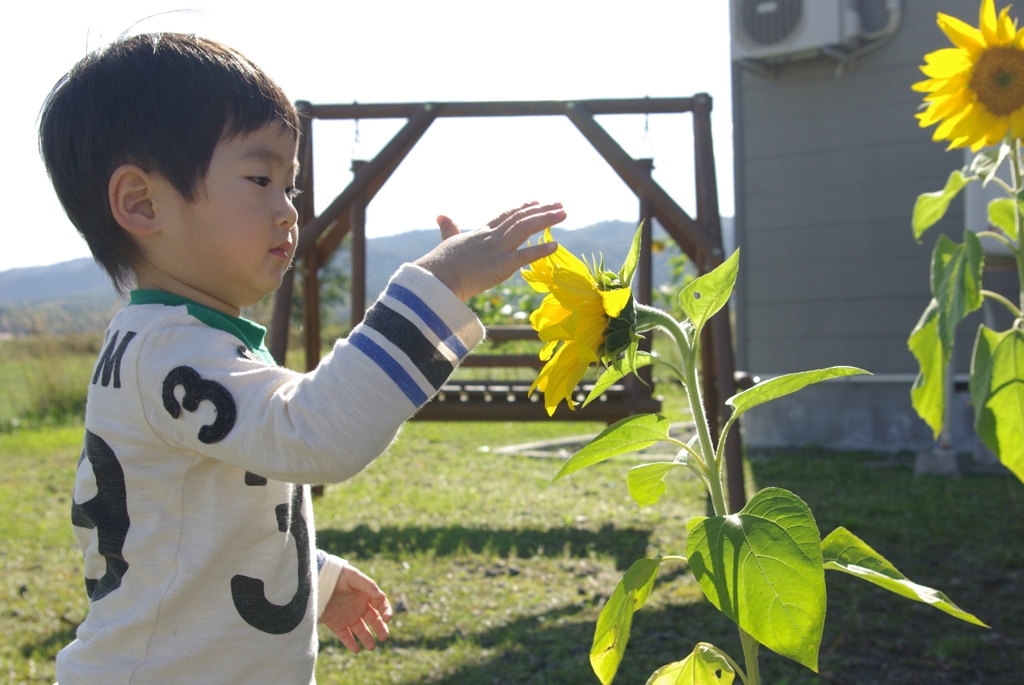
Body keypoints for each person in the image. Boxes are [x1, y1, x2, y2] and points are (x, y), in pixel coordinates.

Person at [38, 32, 564, 684]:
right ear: (143, 202)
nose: (289, 210)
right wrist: (440, 286)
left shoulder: (169, 341)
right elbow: (313, 434)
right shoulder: (172, 353)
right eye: (261, 178)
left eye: (291, 186)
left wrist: (309, 572)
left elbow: (180, 523)